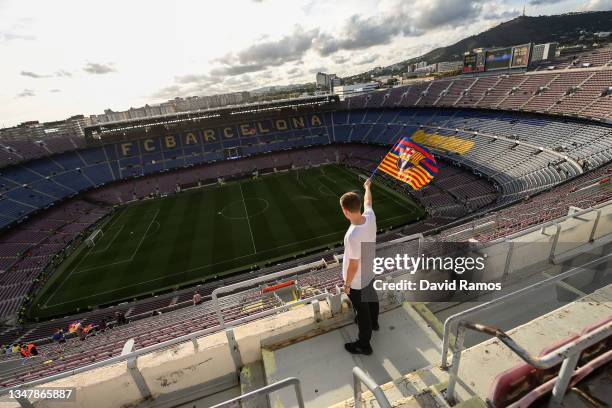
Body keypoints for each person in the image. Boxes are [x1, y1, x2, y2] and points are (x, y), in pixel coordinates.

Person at [339, 178, 379, 355]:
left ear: (345, 211)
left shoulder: (353, 235)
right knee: (371, 298)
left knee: (362, 313)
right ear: (358, 207)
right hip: (370, 271)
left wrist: (347, 285)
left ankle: (364, 344)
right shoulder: (370, 217)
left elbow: (353, 264)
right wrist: (367, 187)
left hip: (357, 280)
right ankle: (375, 322)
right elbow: (368, 201)